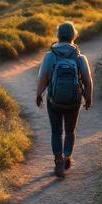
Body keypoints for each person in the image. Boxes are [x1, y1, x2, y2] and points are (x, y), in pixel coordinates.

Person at [34, 22, 93, 178]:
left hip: (54, 100)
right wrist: (88, 98)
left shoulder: (50, 55)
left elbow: (42, 78)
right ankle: (67, 155)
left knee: (56, 131)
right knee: (70, 131)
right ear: (73, 35)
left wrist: (39, 95)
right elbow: (88, 80)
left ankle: (58, 158)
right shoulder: (80, 57)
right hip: (74, 101)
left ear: (58, 35)